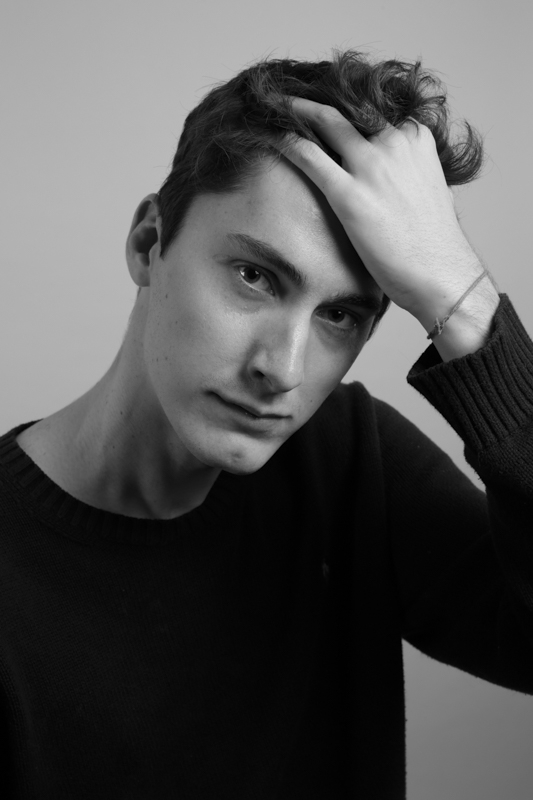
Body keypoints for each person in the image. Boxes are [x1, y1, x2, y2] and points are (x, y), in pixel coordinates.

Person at [1, 50, 532, 799]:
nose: (282, 369)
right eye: (256, 276)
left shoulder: (352, 458)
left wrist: (462, 299)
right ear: (149, 244)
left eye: (339, 315)